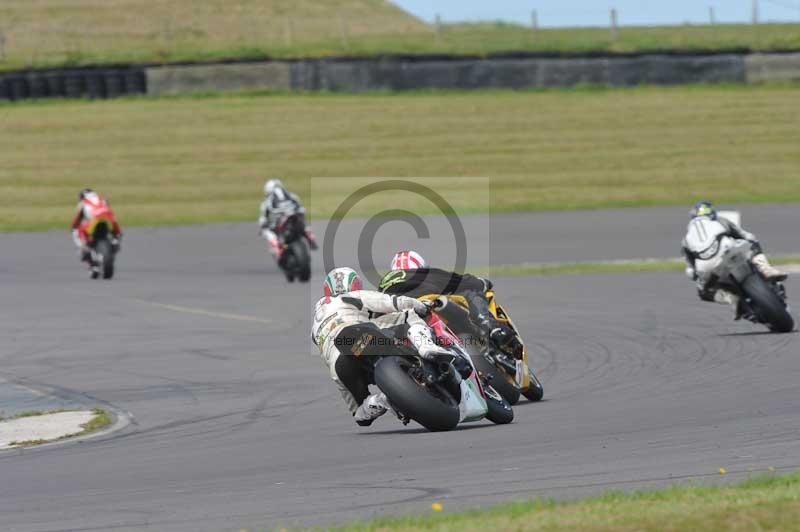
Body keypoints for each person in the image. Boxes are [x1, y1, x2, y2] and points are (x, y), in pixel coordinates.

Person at [311, 267, 451, 426]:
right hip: (358, 337)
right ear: (353, 285)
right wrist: (418, 305)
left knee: (360, 415)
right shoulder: (350, 296)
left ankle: (382, 400)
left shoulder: (316, 324)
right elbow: (389, 301)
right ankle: (425, 346)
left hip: (339, 364)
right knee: (409, 314)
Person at [379, 250, 523, 359]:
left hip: (400, 318)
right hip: (431, 303)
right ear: (420, 266)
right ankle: (490, 326)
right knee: (469, 291)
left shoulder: (383, 284)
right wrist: (481, 283)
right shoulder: (425, 273)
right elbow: (459, 281)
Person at [682, 201, 787, 318]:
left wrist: (697, 277)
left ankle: (733, 300)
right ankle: (765, 268)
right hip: (728, 251)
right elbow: (745, 236)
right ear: (712, 213)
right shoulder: (720, 221)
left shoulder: (686, 239)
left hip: (707, 267)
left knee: (703, 293)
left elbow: (691, 270)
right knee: (752, 242)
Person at [258, 179, 317, 259]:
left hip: (283, 221)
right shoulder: (292, 195)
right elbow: (301, 208)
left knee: (266, 231)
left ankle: (277, 247)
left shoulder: (267, 201)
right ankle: (310, 236)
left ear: (267, 190)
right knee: (302, 221)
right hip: (295, 216)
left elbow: (262, 218)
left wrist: (263, 225)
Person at [70, 188, 122, 272]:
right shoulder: (103, 200)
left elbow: (76, 221)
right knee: (115, 226)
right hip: (107, 219)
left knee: (78, 230)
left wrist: (73, 227)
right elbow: (110, 212)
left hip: (94, 221)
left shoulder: (82, 203)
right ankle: (116, 240)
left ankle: (84, 247)